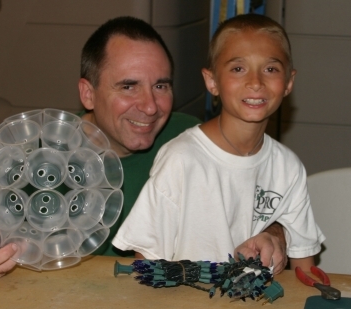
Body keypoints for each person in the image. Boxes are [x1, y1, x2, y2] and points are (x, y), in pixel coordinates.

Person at [0, 16, 287, 295]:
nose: (149, 106)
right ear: (88, 93)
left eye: (161, 86)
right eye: (128, 86)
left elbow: (263, 204)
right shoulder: (34, 164)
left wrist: (273, 233)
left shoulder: (193, 140)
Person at [112, 14, 325, 271]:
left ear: (288, 82)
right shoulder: (181, 159)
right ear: (212, 81)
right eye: (238, 68)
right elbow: (146, 267)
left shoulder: (288, 167)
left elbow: (305, 268)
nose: (256, 82)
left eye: (270, 69)